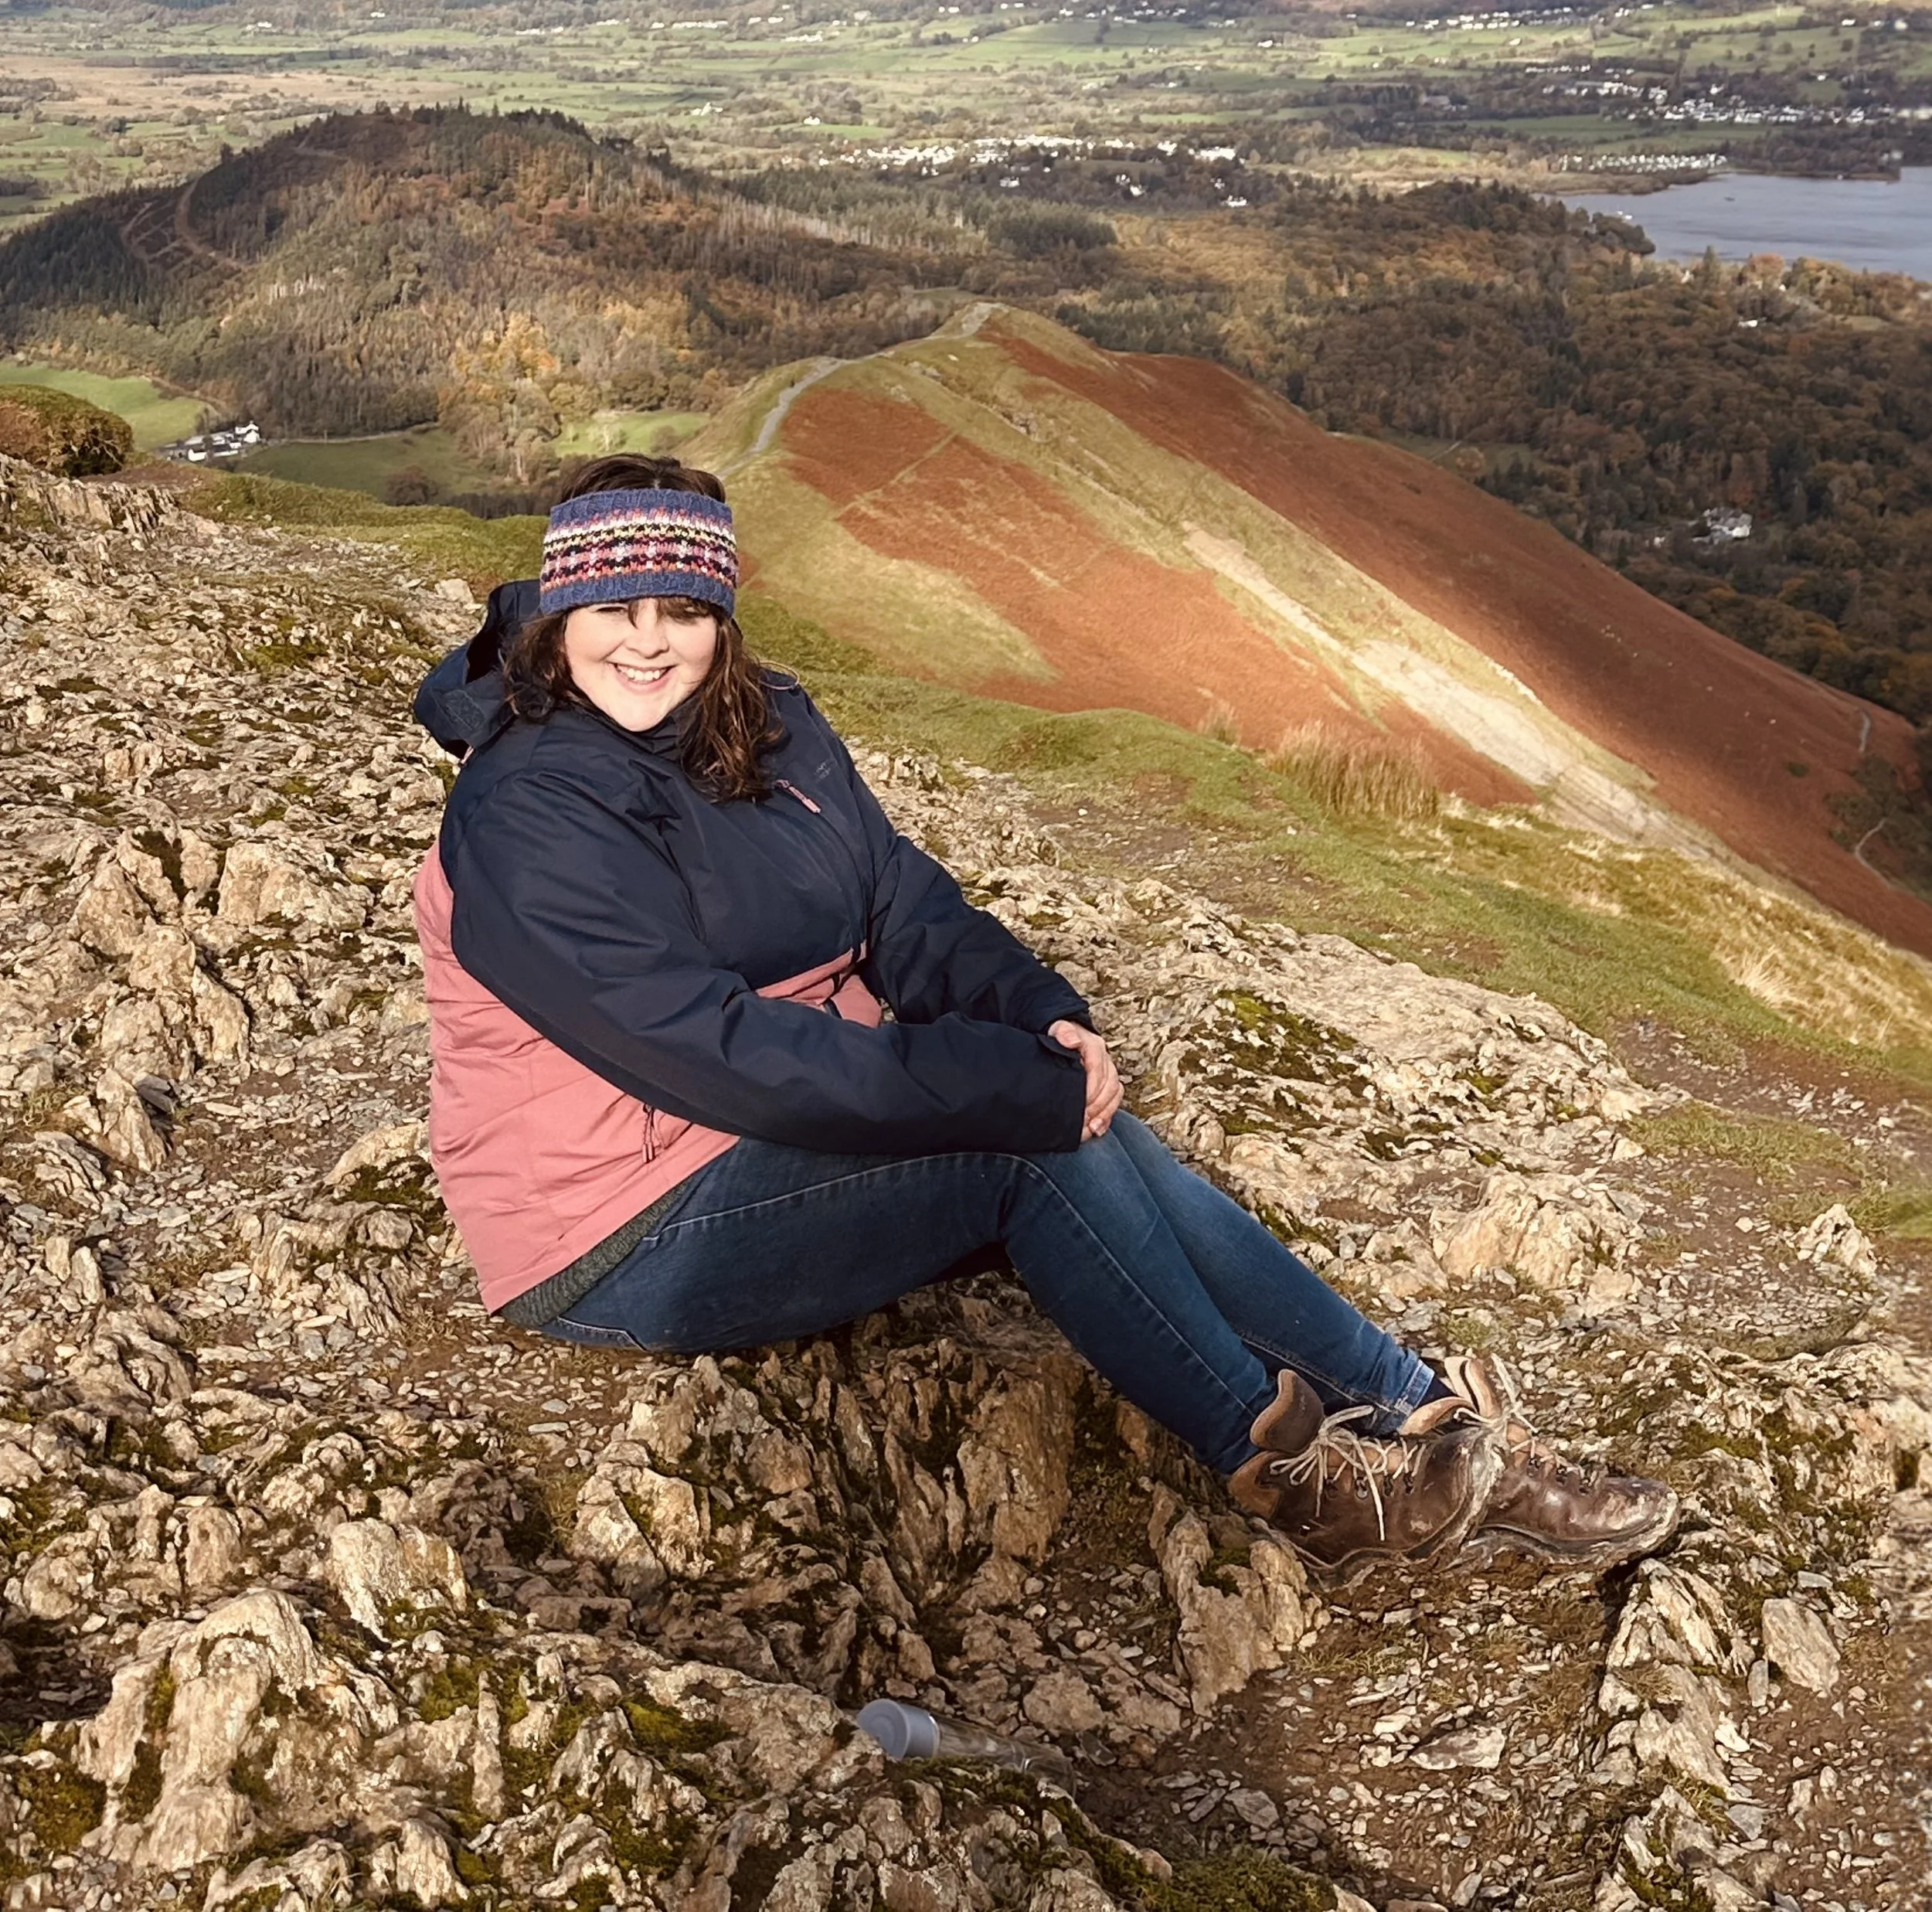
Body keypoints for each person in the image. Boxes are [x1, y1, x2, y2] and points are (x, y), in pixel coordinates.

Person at [412, 456, 1676, 1583]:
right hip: (617, 1219)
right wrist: (1001, 1087)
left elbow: (897, 901)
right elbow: (717, 1055)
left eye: (683, 610)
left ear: (723, 618)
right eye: (614, 610)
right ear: (559, 612)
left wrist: (1038, 1015)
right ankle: (1294, 1479)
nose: (648, 642)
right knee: (1025, 1145)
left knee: (1068, 1111)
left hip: (760, 1135)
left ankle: (1420, 1417)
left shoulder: (767, 722)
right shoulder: (529, 811)